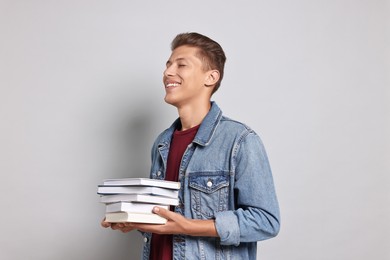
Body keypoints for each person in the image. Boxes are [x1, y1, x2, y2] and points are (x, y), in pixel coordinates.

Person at [101, 32, 280, 259]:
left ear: (211, 77)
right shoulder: (162, 143)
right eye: (168, 65)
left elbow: (266, 221)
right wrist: (135, 220)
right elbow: (167, 219)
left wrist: (188, 227)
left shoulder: (240, 140)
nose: (168, 72)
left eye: (181, 65)